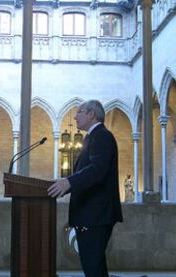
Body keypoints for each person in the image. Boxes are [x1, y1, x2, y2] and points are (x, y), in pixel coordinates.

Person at [47, 100, 123, 277]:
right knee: (93, 267)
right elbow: (87, 172)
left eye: (79, 112)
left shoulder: (102, 136)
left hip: (95, 215)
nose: (75, 116)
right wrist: (64, 184)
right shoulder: (92, 137)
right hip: (90, 214)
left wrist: (70, 182)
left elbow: (97, 170)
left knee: (93, 268)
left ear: (91, 114)